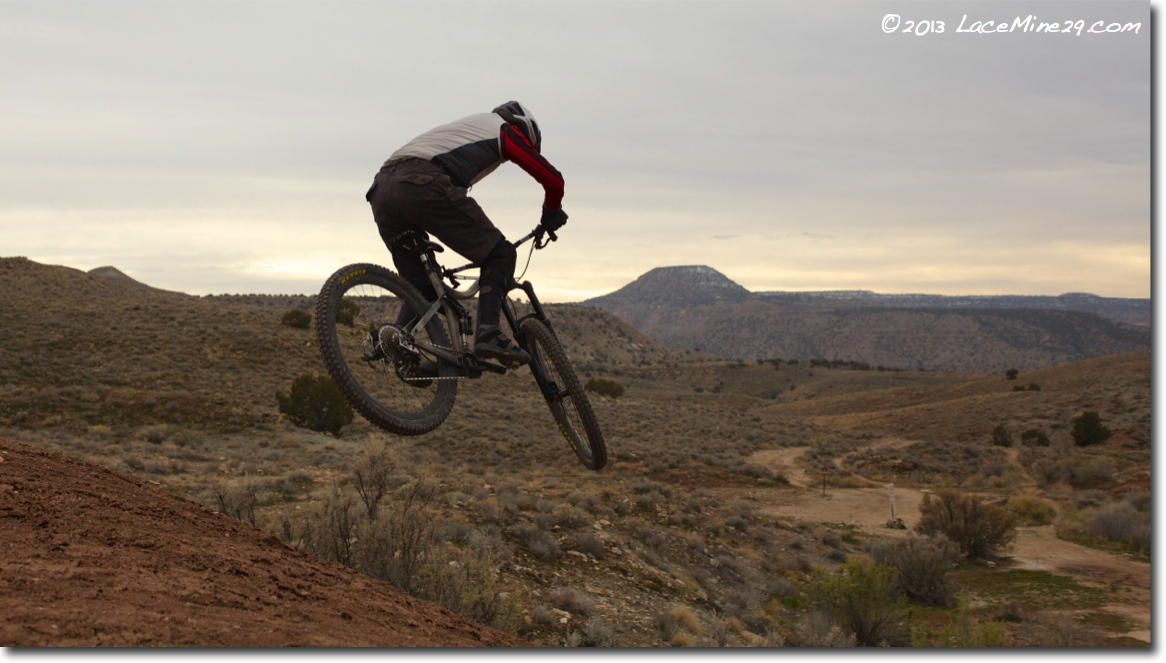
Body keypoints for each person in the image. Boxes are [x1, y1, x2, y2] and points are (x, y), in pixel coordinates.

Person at [365, 101, 567, 366]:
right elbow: (554, 180)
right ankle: (488, 332)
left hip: (380, 191)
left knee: (423, 286)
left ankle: (394, 340)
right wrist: (551, 212)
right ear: (523, 127)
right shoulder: (502, 129)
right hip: (420, 182)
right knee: (500, 254)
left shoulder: (467, 130)